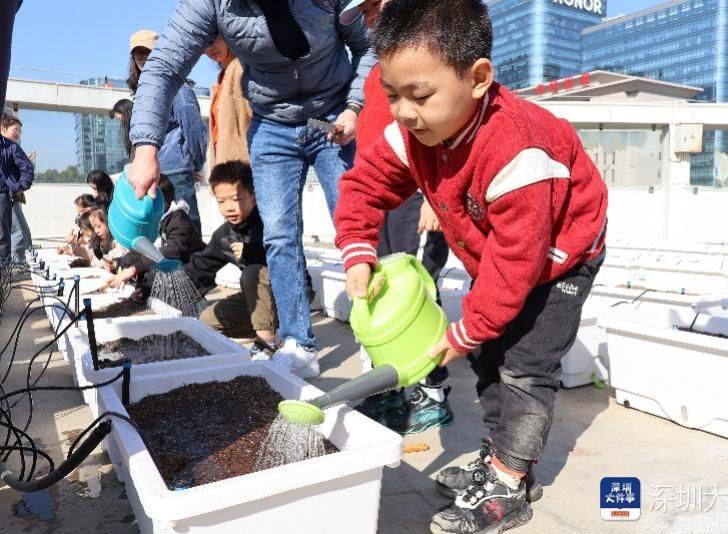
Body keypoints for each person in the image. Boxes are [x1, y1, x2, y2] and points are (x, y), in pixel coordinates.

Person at [334, 1, 608, 532]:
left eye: (420, 95)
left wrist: (469, 326)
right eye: (391, 95)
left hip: (560, 256)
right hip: (502, 251)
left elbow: (518, 261)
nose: (404, 112)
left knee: (525, 364)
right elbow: (364, 187)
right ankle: (499, 454)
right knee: (488, 355)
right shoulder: (412, 130)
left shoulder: (520, 149)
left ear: (478, 78)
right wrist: (358, 250)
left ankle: (509, 485)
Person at [127, 0, 376, 376]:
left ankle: (374, 335)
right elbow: (163, 67)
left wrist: (356, 105)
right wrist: (146, 146)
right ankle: (297, 340)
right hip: (272, 122)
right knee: (278, 235)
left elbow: (369, 42)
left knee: (355, 225)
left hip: (334, 112)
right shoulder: (210, 3)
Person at [339, 0, 454, 435]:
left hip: (415, 196)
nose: (370, 18)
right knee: (384, 291)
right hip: (381, 195)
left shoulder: (429, 60)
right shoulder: (376, 70)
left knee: (417, 287)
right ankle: (394, 386)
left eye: (376, 7)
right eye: (364, 12)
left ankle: (433, 390)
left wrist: (432, 196)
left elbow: (437, 134)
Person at [183, 161, 284, 366]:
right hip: (260, 303)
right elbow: (200, 266)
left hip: (287, 299)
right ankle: (274, 331)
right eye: (222, 201)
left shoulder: (269, 222)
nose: (229, 207)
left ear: (253, 196)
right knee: (207, 320)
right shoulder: (224, 236)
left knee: (252, 273)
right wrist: (157, 282)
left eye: (236, 199)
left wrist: (251, 251)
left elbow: (283, 258)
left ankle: (266, 344)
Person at [128, 29, 207, 235]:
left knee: (187, 230)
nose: (143, 59)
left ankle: (193, 268)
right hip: (153, 173)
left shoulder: (178, 87)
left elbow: (194, 127)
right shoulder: (142, 93)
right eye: (138, 55)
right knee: (162, 233)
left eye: (148, 53)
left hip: (176, 171)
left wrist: (196, 163)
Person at [104, 175, 204, 290]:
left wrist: (133, 270)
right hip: (174, 271)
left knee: (152, 273)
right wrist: (119, 262)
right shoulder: (157, 220)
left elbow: (171, 251)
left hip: (193, 273)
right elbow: (142, 249)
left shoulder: (179, 220)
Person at [205, 35, 251, 167]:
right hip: (225, 165)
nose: (209, 49)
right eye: (203, 45)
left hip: (241, 166)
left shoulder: (241, 68)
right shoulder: (222, 76)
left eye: (212, 40)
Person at [0, 112, 33, 263]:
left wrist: (17, 187)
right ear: (3, 128)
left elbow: (27, 170)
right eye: (15, 130)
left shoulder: (13, 148)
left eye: (20, 131)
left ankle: (15, 264)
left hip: (7, 195)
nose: (18, 134)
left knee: (16, 231)